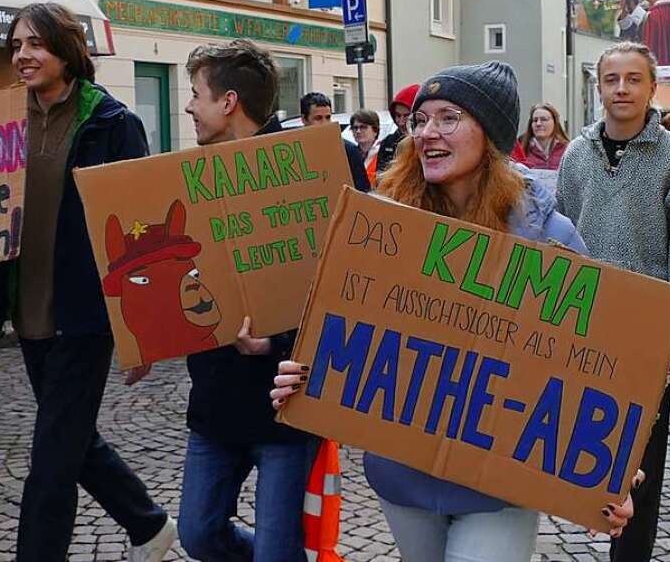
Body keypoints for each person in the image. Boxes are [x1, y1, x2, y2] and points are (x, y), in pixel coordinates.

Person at [271, 61, 634, 561]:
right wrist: (305, 374)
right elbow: (347, 324)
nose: (426, 133)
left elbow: (598, 362)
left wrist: (615, 467)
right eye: (420, 120)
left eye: (449, 117)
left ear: (491, 135)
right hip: (404, 476)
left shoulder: (550, 239)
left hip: (500, 487)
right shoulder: (381, 224)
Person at [0, 3, 175, 562]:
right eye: (17, 45)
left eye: (35, 44)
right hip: (31, 311)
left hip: (85, 317)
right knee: (70, 437)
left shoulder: (111, 122)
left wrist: (139, 329)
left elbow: (138, 230)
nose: (23, 55)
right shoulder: (2, 122)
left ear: (67, 52)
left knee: (50, 458)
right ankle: (148, 525)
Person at [557, 41, 670, 562]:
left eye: (633, 79)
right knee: (591, 441)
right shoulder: (576, 155)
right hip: (588, 323)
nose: (621, 89)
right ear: (597, 87)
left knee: (642, 454)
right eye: (611, 79)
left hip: (649, 331)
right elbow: (560, 238)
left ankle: (631, 555)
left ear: (651, 88)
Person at [177, 39, 312, 562]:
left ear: (228, 102)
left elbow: (339, 292)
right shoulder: (191, 178)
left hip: (285, 409)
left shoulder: (304, 171)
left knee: (277, 553)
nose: (189, 106)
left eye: (196, 94)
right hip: (215, 403)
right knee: (198, 534)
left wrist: (275, 342)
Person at [298, 92, 370, 192]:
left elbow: (363, 191)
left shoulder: (348, 150)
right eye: (318, 118)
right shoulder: (294, 151)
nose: (325, 123)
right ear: (304, 119)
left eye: (328, 117)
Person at [375, 83, 419, 177]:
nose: (401, 122)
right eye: (398, 115)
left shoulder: (427, 143)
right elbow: (379, 175)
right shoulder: (388, 142)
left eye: (406, 115)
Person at [510, 103, 570, 170]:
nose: (538, 123)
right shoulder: (521, 148)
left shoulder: (568, 149)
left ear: (555, 122)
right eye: (535, 120)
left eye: (544, 119)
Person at [349, 108, 381, 184]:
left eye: (363, 127)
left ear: (375, 131)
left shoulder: (384, 152)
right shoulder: (350, 154)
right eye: (355, 128)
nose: (358, 131)